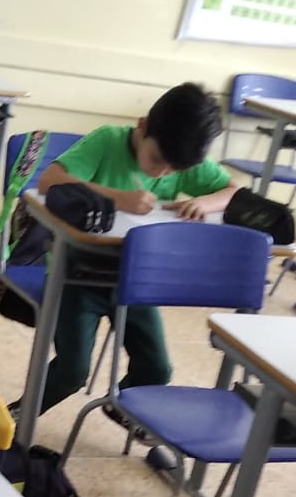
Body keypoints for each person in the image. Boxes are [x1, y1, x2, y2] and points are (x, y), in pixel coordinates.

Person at [33, 82, 236, 415]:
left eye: (174, 170)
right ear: (142, 126)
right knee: (72, 372)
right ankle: (17, 418)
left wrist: (205, 202)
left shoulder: (178, 153)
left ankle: (120, 409)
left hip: (136, 278)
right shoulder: (108, 140)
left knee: (156, 370)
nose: (162, 172)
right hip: (76, 274)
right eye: (156, 160)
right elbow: (48, 181)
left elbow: (234, 192)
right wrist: (118, 198)